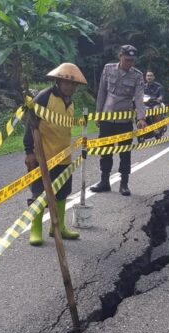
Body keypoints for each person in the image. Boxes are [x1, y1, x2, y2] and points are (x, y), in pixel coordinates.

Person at [23, 63, 87, 246]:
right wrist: (29, 151)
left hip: (64, 156)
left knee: (62, 192)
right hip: (43, 156)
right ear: (58, 81)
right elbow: (30, 124)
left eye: (73, 85)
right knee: (39, 194)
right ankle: (35, 231)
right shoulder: (44, 97)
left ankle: (57, 227)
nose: (70, 87)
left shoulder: (71, 102)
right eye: (66, 83)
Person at [90, 45, 147, 196]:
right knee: (105, 151)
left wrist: (141, 118)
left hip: (125, 120)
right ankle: (104, 181)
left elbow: (139, 98)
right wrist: (98, 114)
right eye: (127, 60)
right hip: (107, 118)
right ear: (120, 56)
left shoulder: (137, 75)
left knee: (125, 152)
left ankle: (124, 183)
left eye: (132, 61)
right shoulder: (108, 69)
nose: (129, 63)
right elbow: (102, 92)